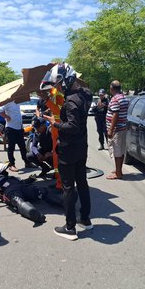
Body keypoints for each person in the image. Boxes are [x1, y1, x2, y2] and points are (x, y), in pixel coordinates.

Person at [42, 63, 93, 241]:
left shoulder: (71, 101)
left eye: (59, 83)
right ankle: (85, 218)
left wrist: (54, 123)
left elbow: (72, 126)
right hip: (81, 147)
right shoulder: (85, 94)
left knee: (68, 187)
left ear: (67, 80)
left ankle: (70, 227)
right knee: (82, 182)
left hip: (69, 148)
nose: (58, 87)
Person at [0, 101, 35, 172]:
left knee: (22, 146)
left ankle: (27, 162)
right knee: (11, 147)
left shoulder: (18, 102)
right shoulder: (7, 102)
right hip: (11, 128)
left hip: (19, 128)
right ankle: (12, 165)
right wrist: (7, 117)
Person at [106, 80, 129, 180]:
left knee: (117, 151)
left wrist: (111, 130)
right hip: (122, 128)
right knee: (121, 150)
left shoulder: (115, 99)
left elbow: (115, 114)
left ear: (111, 89)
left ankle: (118, 173)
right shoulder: (124, 97)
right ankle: (118, 169)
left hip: (117, 129)